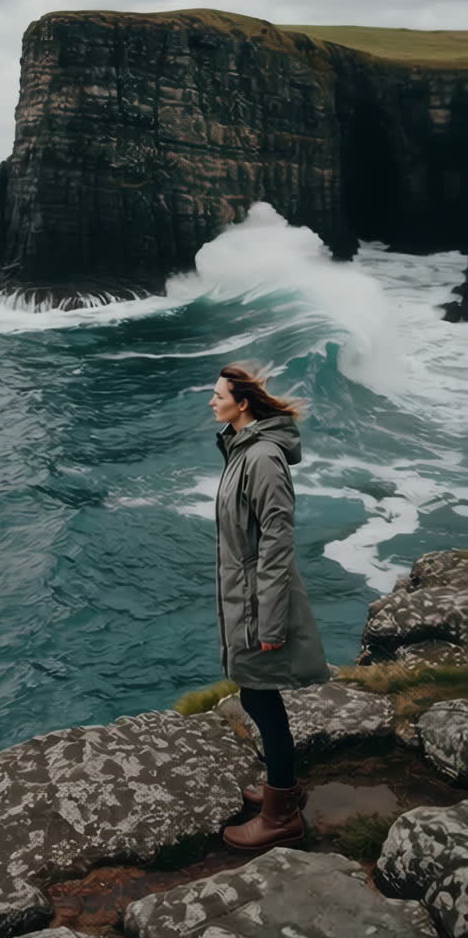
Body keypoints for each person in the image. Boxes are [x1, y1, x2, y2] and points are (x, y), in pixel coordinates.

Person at [210, 363, 330, 850]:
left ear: (242, 405)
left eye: (218, 395)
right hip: (246, 593)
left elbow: (278, 542)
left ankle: (282, 812)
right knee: (254, 691)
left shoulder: (260, 458)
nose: (211, 401)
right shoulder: (240, 450)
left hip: (261, 600)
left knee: (259, 694)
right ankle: (281, 788)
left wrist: (271, 620)